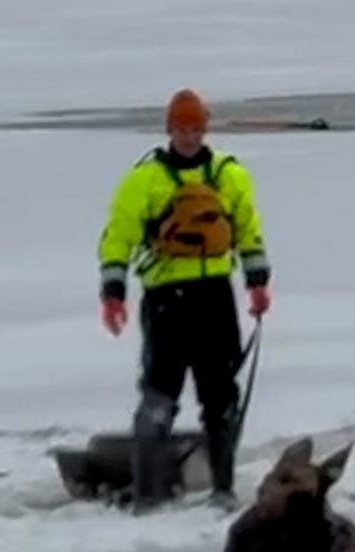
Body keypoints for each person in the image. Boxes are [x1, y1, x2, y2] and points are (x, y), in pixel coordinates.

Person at [98, 88, 271, 513]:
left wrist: (257, 282)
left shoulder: (229, 176)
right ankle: (148, 496)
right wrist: (113, 293)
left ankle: (223, 489)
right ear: (169, 129)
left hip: (215, 296)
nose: (189, 137)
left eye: (196, 128)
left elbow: (248, 231)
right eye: (182, 128)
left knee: (220, 397)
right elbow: (118, 237)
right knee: (159, 396)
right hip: (165, 300)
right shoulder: (145, 180)